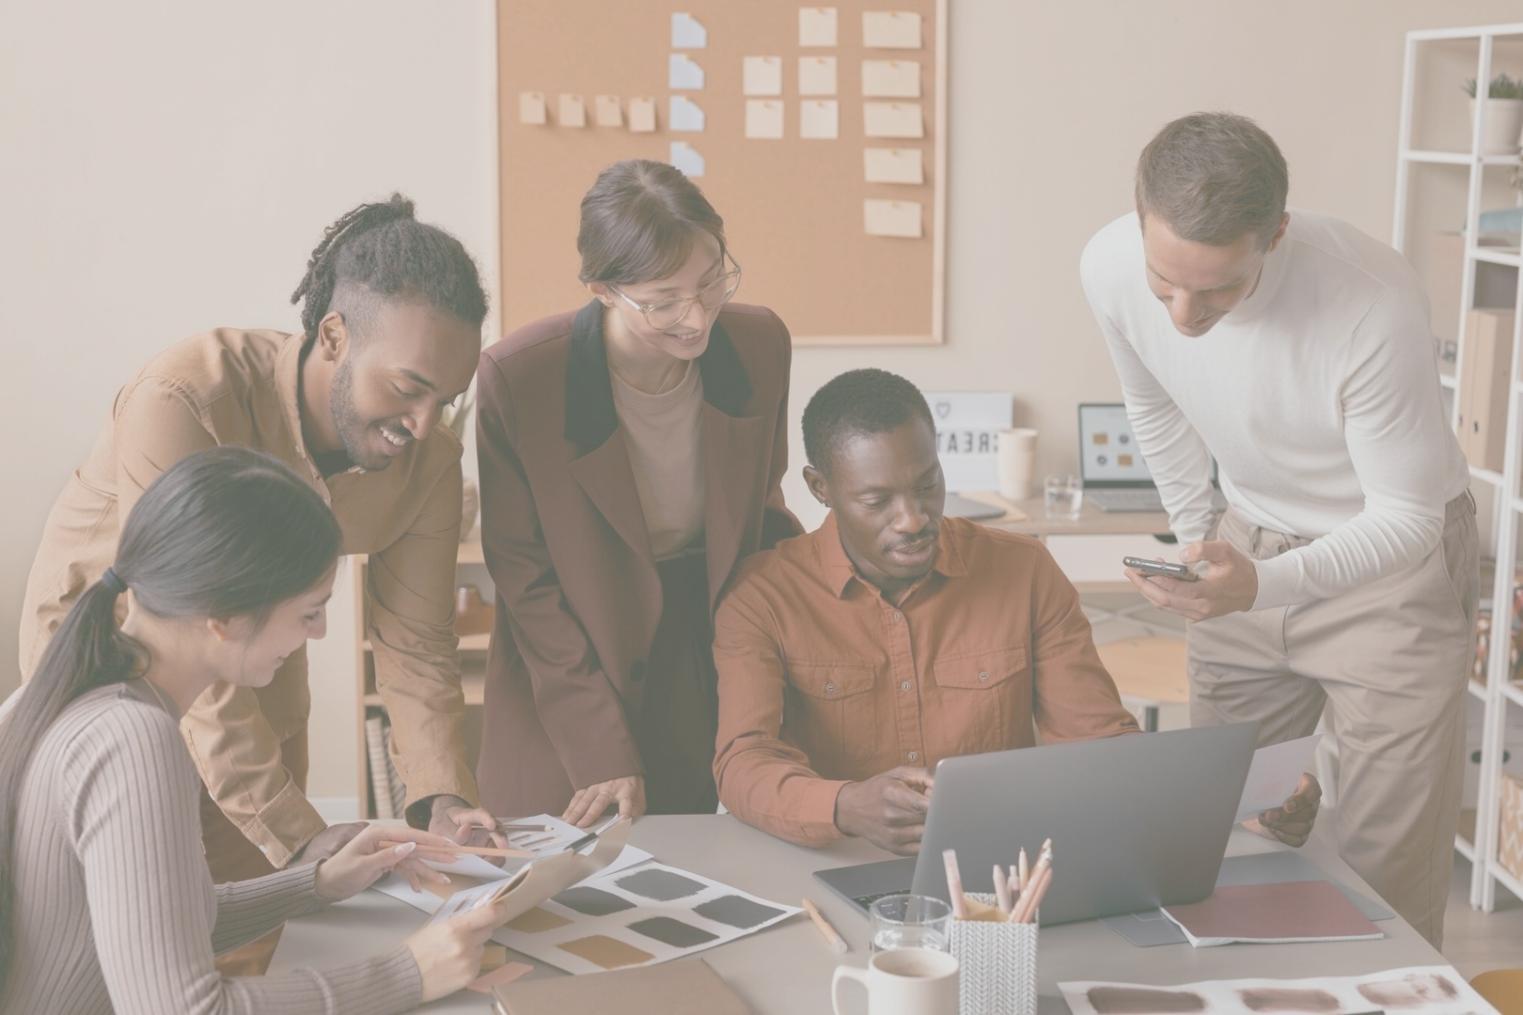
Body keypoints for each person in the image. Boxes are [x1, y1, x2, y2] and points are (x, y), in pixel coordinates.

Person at [17, 194, 501, 973]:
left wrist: (441, 798)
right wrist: (302, 835)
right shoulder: (184, 398)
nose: (422, 422)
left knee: (245, 931)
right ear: (334, 336)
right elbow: (179, 620)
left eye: (443, 400)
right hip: (118, 668)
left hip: (250, 661)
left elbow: (415, 641)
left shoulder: (428, 459)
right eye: (407, 387)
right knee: (115, 948)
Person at [1079, 112, 1476, 947]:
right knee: (1226, 834)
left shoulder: (1371, 299)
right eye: (1164, 282)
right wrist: (1198, 543)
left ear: (1275, 234)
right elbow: (1152, 401)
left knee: (1383, 875)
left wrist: (1263, 585)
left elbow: (1403, 516)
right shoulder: (1109, 265)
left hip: (1389, 569)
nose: (1184, 313)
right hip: (1244, 535)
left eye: (1218, 287)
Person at [712, 369, 1319, 853]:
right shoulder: (763, 596)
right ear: (821, 488)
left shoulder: (1024, 570)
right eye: (877, 500)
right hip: (827, 861)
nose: (914, 518)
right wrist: (845, 806)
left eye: (927, 484)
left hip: (1002, 876)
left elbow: (1098, 740)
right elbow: (743, 762)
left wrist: (1239, 803)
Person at [0, 448, 510, 1015]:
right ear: (224, 618)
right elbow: (183, 1009)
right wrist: (409, 972)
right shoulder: (132, 739)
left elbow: (155, 930)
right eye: (310, 611)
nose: (316, 634)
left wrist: (315, 883)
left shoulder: (62, 693)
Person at [475, 159, 798, 824]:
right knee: (567, 887)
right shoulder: (521, 377)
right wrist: (600, 748)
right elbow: (524, 579)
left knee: (714, 881)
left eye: (711, 281)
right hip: (572, 653)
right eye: (662, 299)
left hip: (706, 633)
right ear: (602, 289)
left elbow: (764, 512)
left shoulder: (760, 344)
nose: (695, 316)